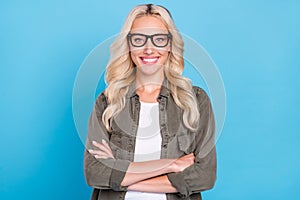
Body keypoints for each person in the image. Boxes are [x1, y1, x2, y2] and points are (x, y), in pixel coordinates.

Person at [84, 4, 216, 200]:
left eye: (159, 39)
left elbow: (205, 176)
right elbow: (94, 172)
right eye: (138, 39)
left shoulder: (195, 101)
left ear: (170, 45)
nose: (148, 49)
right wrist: (170, 165)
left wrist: (124, 178)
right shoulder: (108, 102)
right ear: (128, 45)